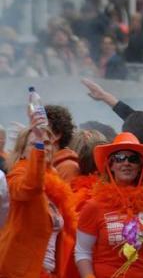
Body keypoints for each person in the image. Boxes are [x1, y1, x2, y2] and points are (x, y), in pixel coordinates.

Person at [0, 113, 77, 277]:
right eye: (35, 144)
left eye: (47, 143)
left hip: (48, 271)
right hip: (20, 271)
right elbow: (31, 186)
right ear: (22, 152)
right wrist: (39, 148)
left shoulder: (54, 181)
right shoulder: (16, 176)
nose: (45, 147)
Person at [75, 132, 143, 278]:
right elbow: (82, 251)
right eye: (120, 158)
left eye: (133, 159)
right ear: (111, 165)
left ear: (140, 166)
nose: (126, 163)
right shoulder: (94, 206)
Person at [45, 105, 80, 183]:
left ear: (56, 135)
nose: (35, 134)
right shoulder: (44, 163)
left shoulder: (68, 167)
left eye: (41, 129)